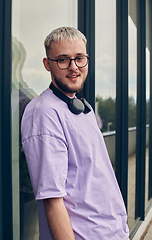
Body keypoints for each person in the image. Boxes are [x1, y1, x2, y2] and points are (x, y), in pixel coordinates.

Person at [21, 27, 129, 240]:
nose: (74, 68)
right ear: (47, 64)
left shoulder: (81, 106)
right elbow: (52, 199)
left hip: (112, 232)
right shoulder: (44, 113)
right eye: (63, 60)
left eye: (79, 58)